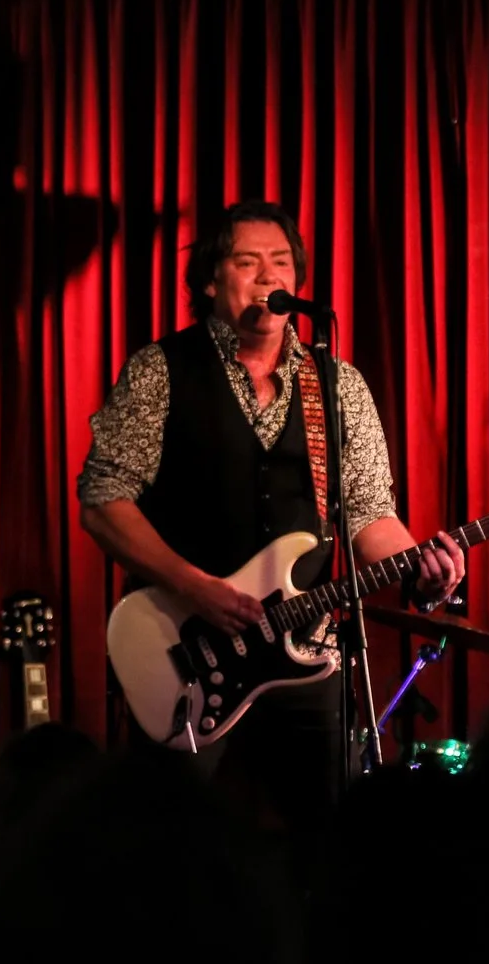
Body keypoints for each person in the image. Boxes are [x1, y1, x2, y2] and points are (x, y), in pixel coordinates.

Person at [76, 199, 462, 827]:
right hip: (187, 648)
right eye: (247, 262)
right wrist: (195, 587)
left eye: (280, 262)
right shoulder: (162, 370)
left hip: (305, 650)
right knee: (168, 841)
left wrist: (425, 569)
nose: (267, 277)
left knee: (333, 841)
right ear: (210, 279)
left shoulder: (336, 384)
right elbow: (102, 501)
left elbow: (369, 517)